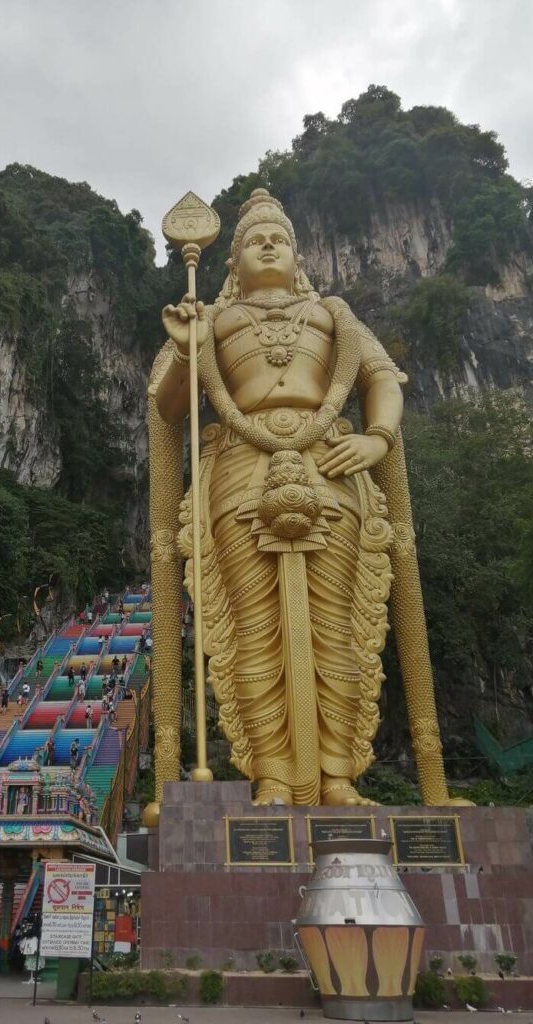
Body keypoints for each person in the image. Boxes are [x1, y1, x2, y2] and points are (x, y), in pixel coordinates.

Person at [151, 187, 421, 807]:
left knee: (336, 627)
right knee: (252, 627)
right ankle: (271, 772)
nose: (267, 245)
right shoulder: (212, 320)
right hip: (240, 469)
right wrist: (187, 350)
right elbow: (170, 410)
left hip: (331, 461)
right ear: (233, 262)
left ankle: (336, 776)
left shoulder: (333, 315)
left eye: (279, 238)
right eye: (254, 240)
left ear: (297, 255)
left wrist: (377, 440)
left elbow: (380, 378)